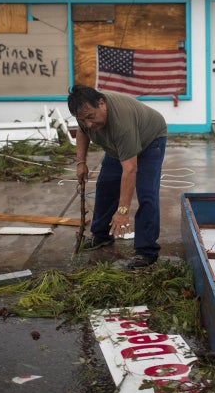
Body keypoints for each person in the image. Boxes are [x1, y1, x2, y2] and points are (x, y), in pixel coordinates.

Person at [68, 84, 167, 269]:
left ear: (102, 103)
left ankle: (147, 251)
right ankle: (101, 236)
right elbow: (82, 131)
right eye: (83, 119)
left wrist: (122, 211)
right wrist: (81, 162)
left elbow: (129, 170)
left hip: (150, 140)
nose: (89, 124)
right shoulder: (85, 113)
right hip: (117, 147)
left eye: (91, 117)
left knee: (147, 193)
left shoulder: (122, 124)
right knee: (106, 187)